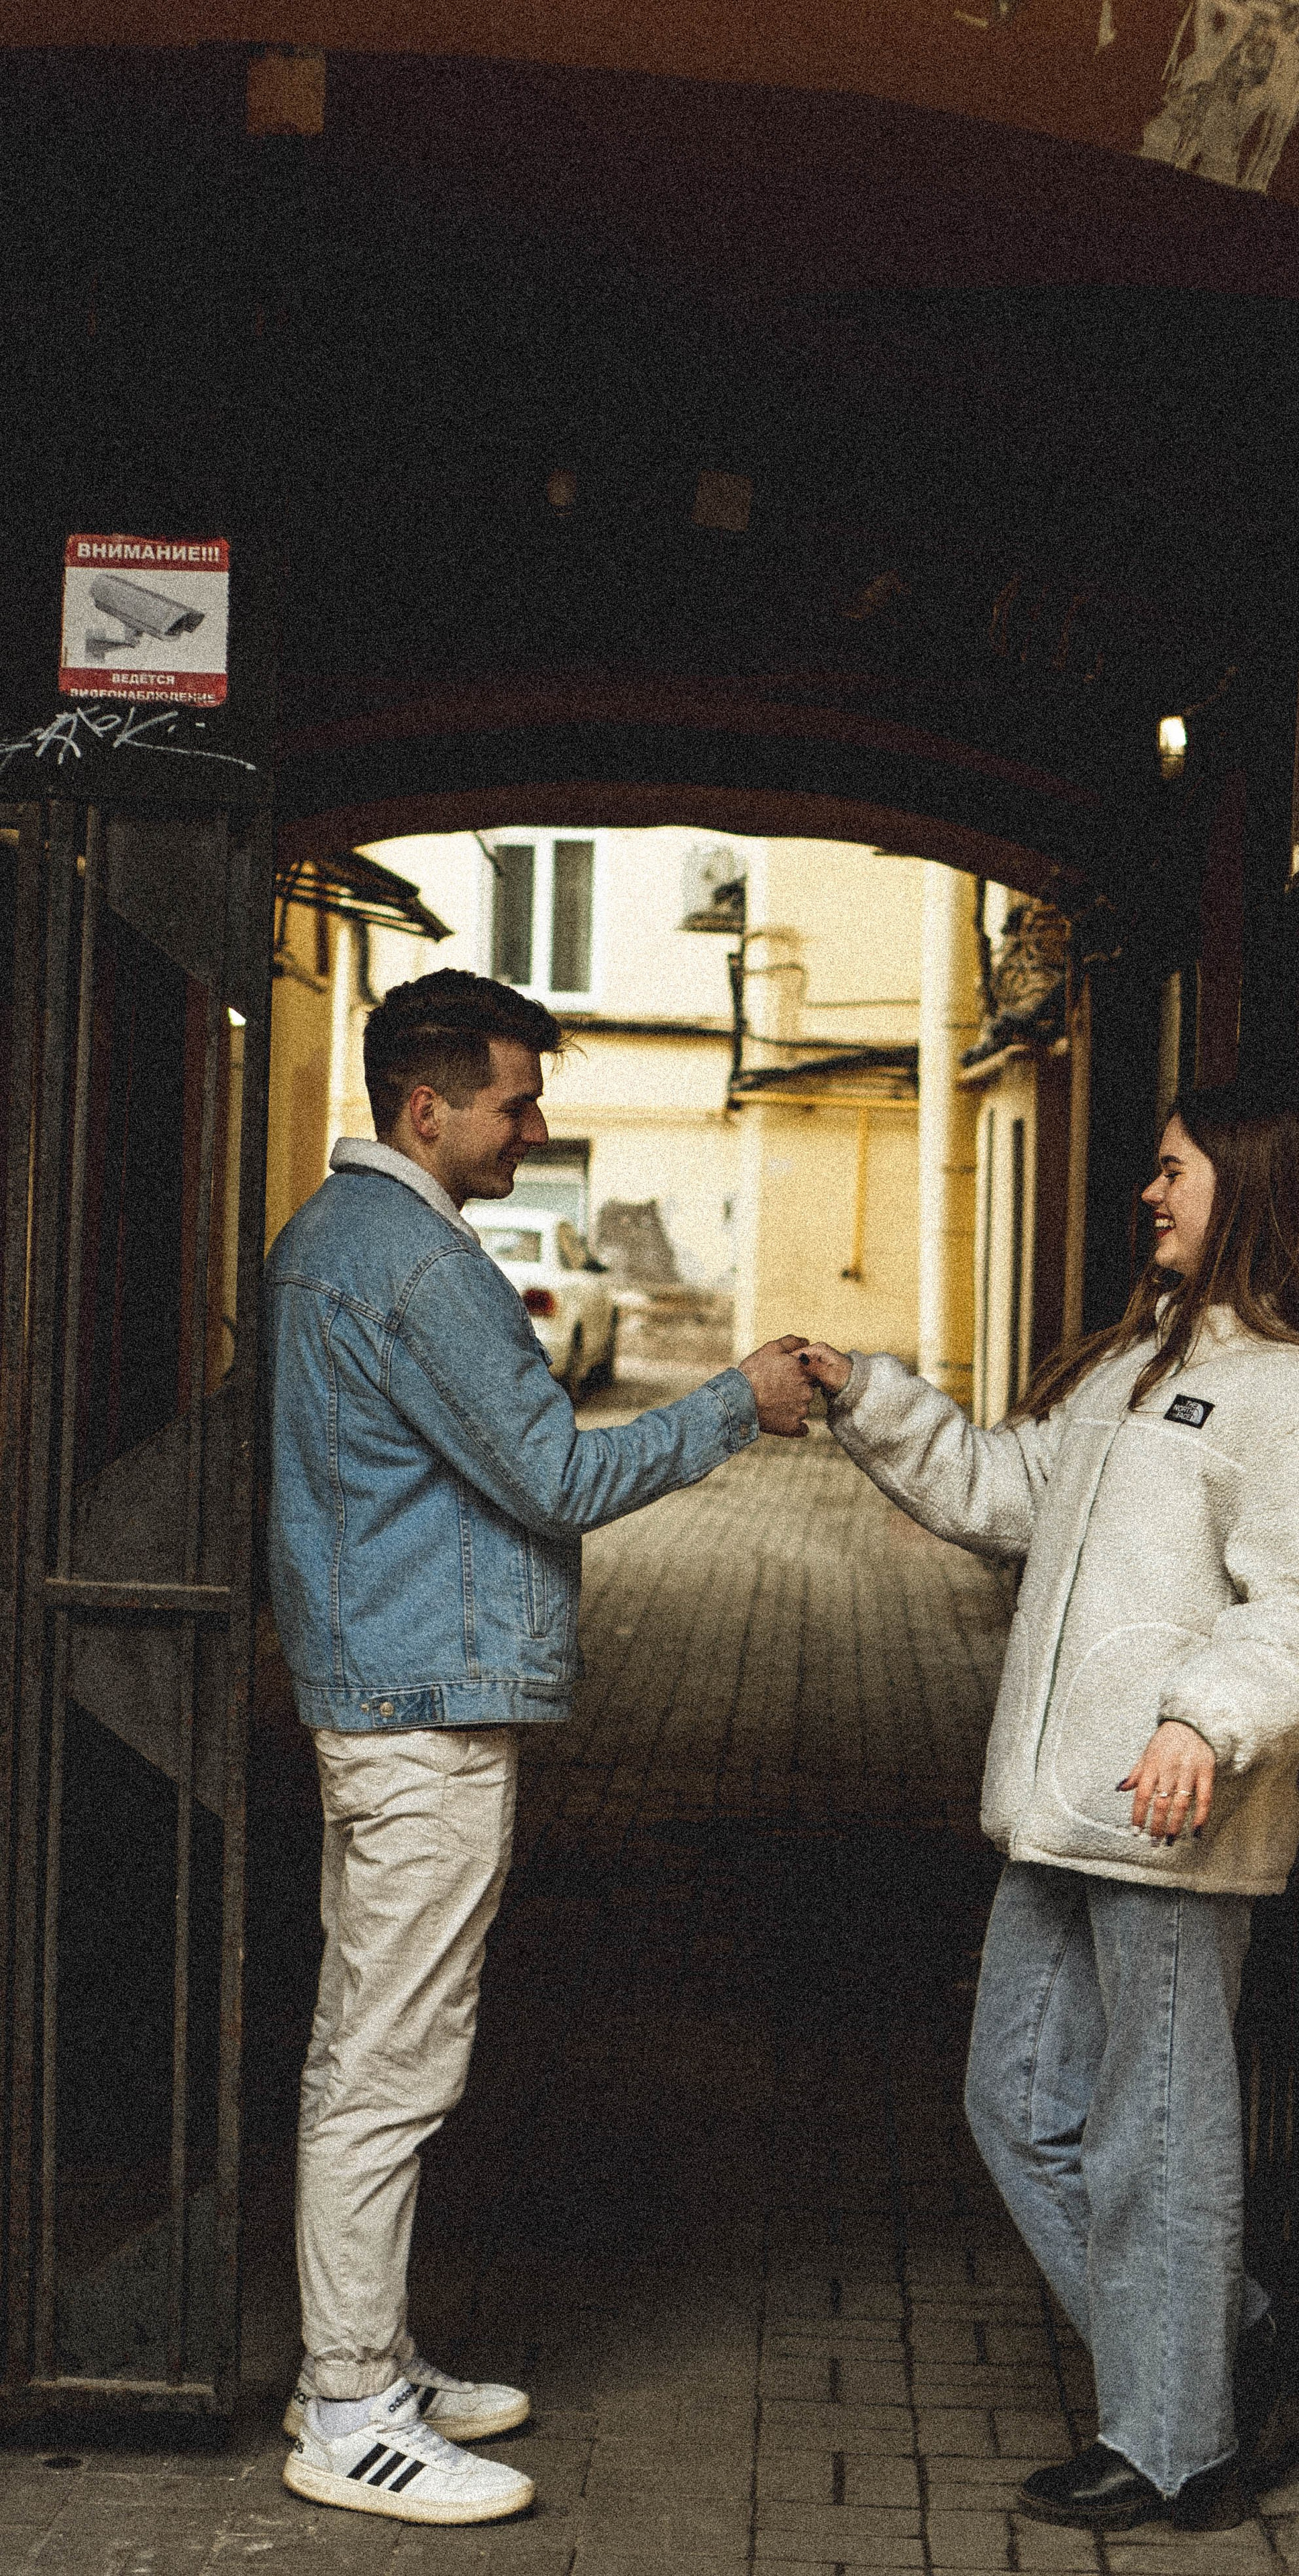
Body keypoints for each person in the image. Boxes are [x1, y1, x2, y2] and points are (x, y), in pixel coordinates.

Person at [798, 1088, 1299, 2534]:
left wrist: (1204, 1722)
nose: (1148, 1193)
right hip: (1058, 1816)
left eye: (1173, 1170)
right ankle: (1234, 2338)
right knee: (1014, 2110)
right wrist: (864, 1393)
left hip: (1168, 1825)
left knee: (1157, 2137)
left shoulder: (1292, 1399)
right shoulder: (1133, 1367)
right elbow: (1002, 1492)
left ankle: (1178, 2444)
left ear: (1252, 1186)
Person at [264, 967, 813, 2526]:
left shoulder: (329, 1240)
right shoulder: (418, 1266)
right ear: (424, 1107)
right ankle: (351, 2407)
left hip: (379, 1695)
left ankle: (357, 2359)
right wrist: (736, 1403)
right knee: (392, 2066)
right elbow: (556, 1481)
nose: (536, 1124)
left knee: (360, 2051)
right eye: (515, 1099)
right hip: (424, 1716)